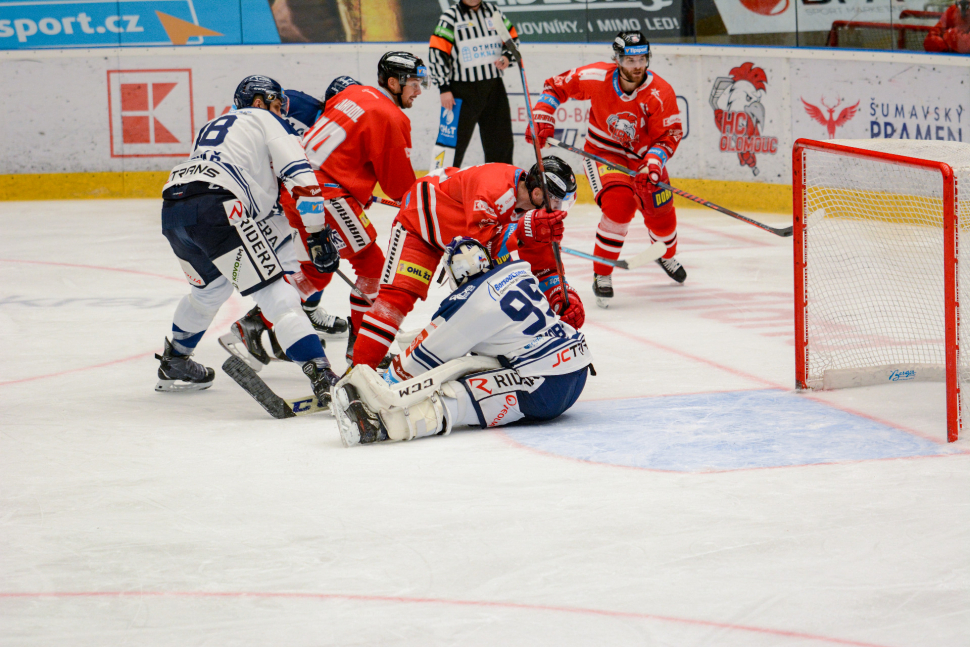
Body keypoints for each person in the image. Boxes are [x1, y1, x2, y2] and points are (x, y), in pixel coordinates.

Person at [231, 55, 426, 367]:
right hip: (327, 196)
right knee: (372, 266)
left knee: (314, 273)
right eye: (415, 84)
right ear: (394, 83)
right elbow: (399, 185)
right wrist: (425, 200)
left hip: (296, 189)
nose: (419, 91)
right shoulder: (391, 117)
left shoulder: (352, 94)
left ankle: (255, 323)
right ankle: (363, 352)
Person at [155, 75, 340, 402]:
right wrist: (317, 232)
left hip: (174, 211)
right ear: (259, 102)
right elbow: (303, 179)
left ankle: (176, 360)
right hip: (219, 209)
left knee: (209, 291)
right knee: (279, 297)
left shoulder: (215, 123)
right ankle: (321, 373)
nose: (280, 111)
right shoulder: (267, 120)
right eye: (275, 103)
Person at [332, 237, 593, 446]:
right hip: (577, 370)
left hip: (544, 390)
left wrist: (385, 381)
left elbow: (421, 358)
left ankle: (379, 426)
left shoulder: (468, 303)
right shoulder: (519, 274)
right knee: (483, 361)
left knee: (452, 396)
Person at [350, 156, 585, 370]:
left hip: (458, 236)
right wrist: (524, 231)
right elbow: (480, 248)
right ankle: (359, 374)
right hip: (420, 226)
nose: (559, 211)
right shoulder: (493, 187)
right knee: (397, 300)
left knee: (491, 297)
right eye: (557, 203)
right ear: (537, 194)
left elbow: (543, 263)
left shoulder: (534, 212)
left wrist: (560, 294)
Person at [525, 31, 686, 309]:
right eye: (629, 59)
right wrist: (541, 116)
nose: (637, 65)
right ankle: (603, 272)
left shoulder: (661, 92)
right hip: (602, 153)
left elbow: (669, 135)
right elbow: (555, 87)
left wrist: (653, 165)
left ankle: (665, 254)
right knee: (619, 206)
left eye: (642, 58)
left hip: (645, 159)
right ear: (617, 59)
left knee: (663, 219)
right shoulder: (597, 77)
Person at [428, 0, 517, 167]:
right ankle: (438, 185)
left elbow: (512, 39)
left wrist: (507, 57)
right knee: (451, 144)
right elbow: (437, 53)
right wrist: (444, 88)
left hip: (493, 87)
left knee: (500, 142)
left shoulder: (493, 11)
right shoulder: (450, 17)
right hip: (460, 92)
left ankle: (500, 187)